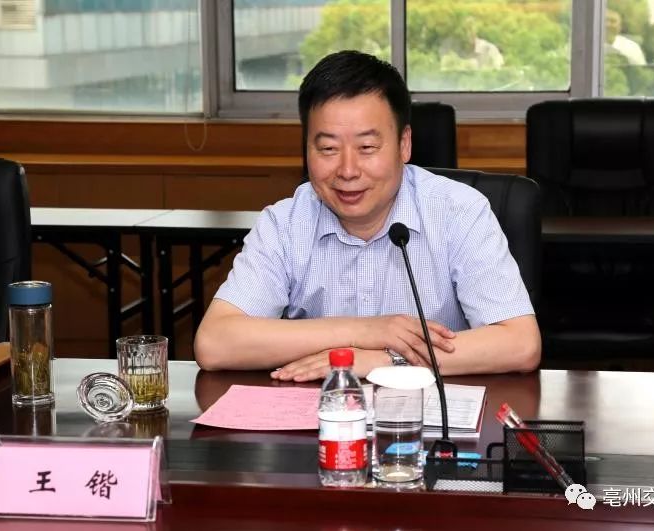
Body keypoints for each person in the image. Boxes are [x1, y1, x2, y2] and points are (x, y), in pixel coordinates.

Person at [194, 50, 540, 381]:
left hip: (431, 413)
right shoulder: (284, 224)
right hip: (321, 413)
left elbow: (520, 344)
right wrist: (364, 331)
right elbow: (215, 343)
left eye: (367, 147)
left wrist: (384, 359)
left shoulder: (458, 212)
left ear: (404, 144)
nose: (347, 170)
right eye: (328, 148)